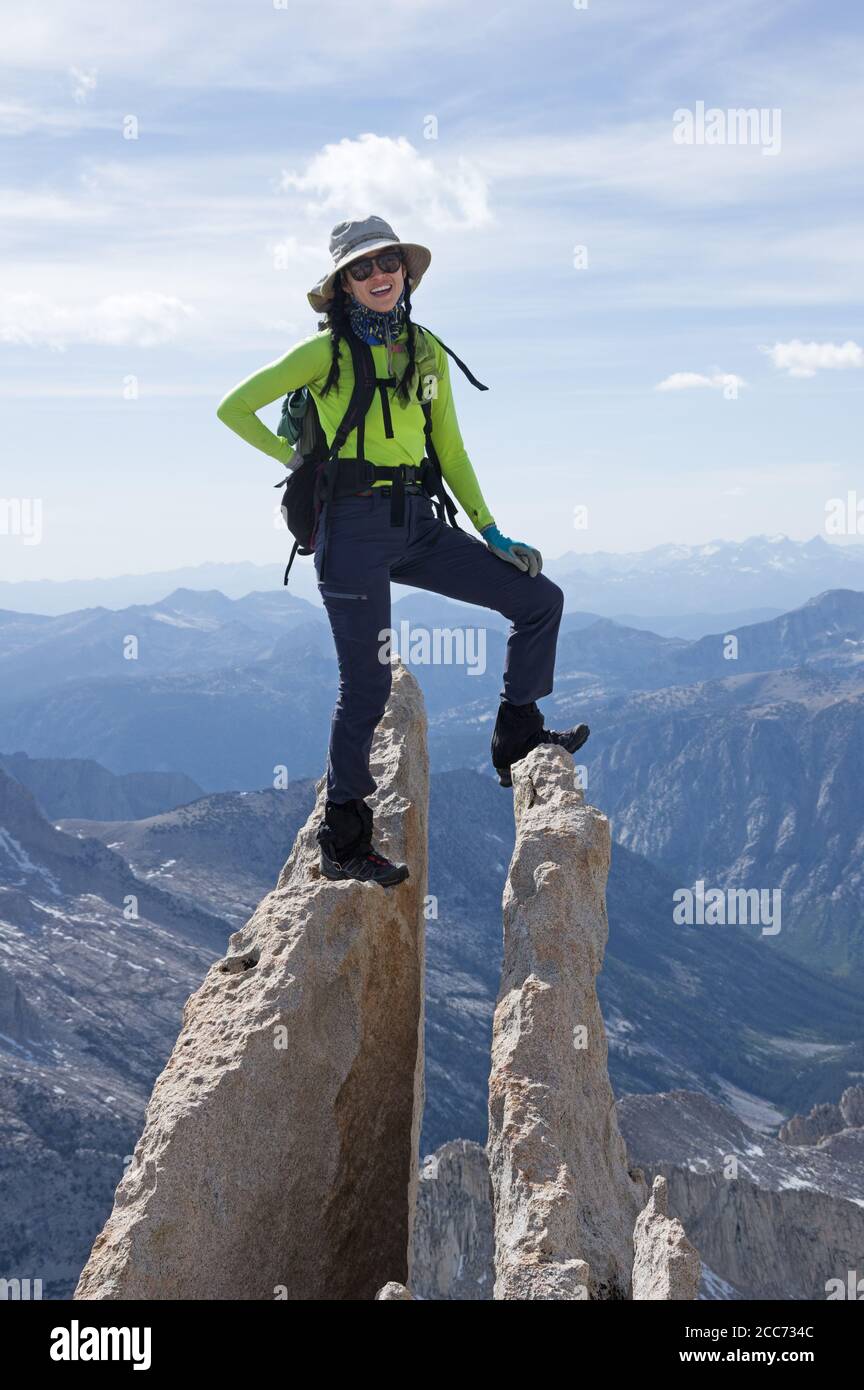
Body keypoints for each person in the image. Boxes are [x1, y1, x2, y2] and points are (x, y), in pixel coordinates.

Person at [217, 215, 589, 888]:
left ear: (405, 272)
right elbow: (233, 407)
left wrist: (492, 532)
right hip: (350, 526)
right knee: (368, 682)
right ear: (341, 287)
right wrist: (302, 460)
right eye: (361, 269)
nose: (378, 275)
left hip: (417, 520)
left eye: (387, 262)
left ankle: (516, 736)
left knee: (539, 599)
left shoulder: (426, 352)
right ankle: (345, 836)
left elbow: (450, 448)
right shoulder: (323, 353)